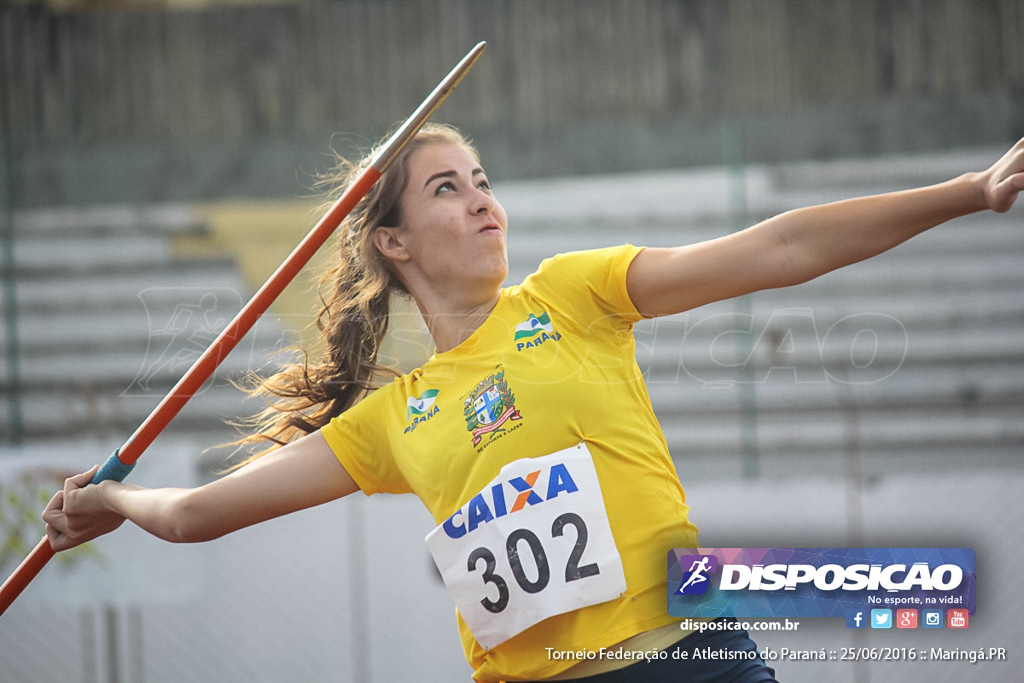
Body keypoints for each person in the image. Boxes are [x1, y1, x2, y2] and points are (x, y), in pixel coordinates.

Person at [43, 123, 1023, 682]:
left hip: (693, 658)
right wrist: (112, 502)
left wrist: (966, 191)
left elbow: (775, 250)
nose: (482, 200)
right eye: (445, 189)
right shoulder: (394, 419)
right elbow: (199, 510)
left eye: (483, 180)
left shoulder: (571, 293)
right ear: (393, 242)